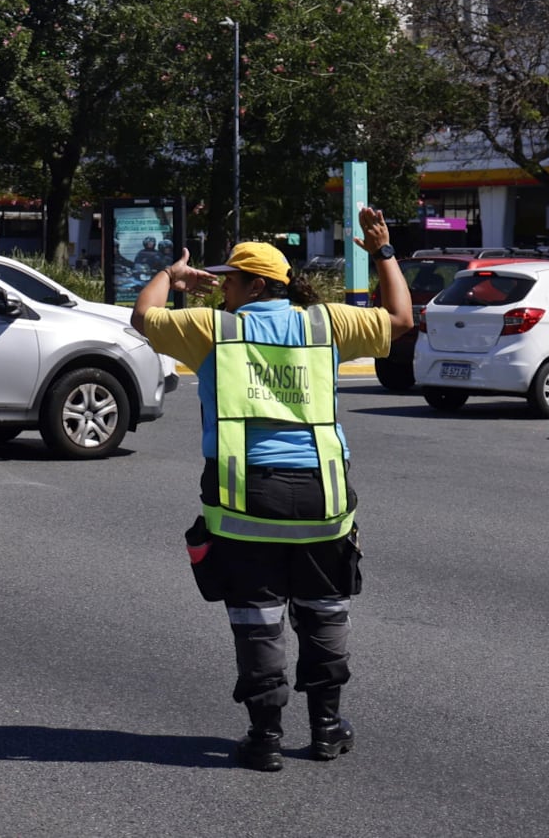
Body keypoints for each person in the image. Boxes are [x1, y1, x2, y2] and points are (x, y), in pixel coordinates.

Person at [130, 206, 412, 771]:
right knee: (325, 613)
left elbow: (143, 317)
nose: (222, 287)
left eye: (230, 279)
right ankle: (327, 729)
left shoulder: (214, 331)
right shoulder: (324, 323)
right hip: (322, 501)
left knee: (257, 620)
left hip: (243, 502)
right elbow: (402, 318)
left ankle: (265, 739)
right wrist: (383, 251)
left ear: (256, 284)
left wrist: (172, 274)